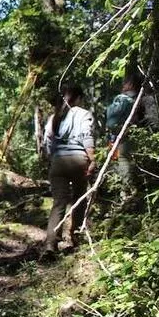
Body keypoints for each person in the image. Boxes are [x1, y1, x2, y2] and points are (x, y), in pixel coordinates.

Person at [41, 84, 96, 255]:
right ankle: (76, 237)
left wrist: (52, 159)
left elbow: (47, 142)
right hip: (79, 161)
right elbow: (87, 136)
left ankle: (50, 244)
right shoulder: (83, 114)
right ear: (78, 98)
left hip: (58, 162)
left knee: (58, 203)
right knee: (79, 200)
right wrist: (93, 159)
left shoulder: (55, 116)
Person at [106, 72, 159, 199]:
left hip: (115, 137)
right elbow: (153, 122)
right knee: (130, 163)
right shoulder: (144, 98)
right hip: (132, 138)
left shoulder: (119, 99)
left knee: (118, 164)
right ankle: (132, 195)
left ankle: (122, 194)